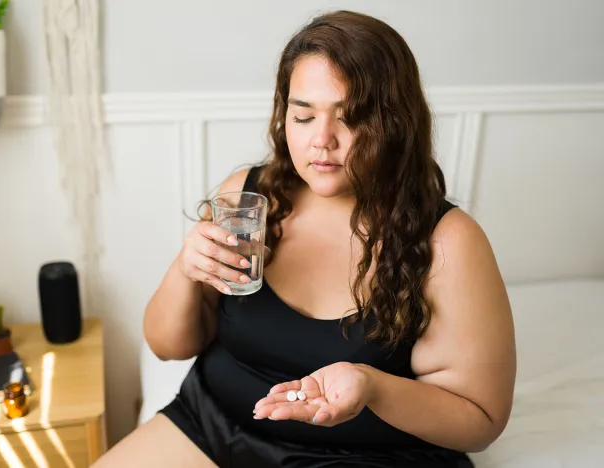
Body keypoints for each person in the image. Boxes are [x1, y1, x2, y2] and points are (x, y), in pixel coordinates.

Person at [92, 10, 516, 468]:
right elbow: (168, 347)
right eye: (304, 115)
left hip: (368, 456)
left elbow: (480, 421)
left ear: (395, 123)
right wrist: (184, 269)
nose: (322, 140)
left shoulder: (449, 240)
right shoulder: (249, 198)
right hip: (212, 424)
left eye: (349, 117)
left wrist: (371, 386)